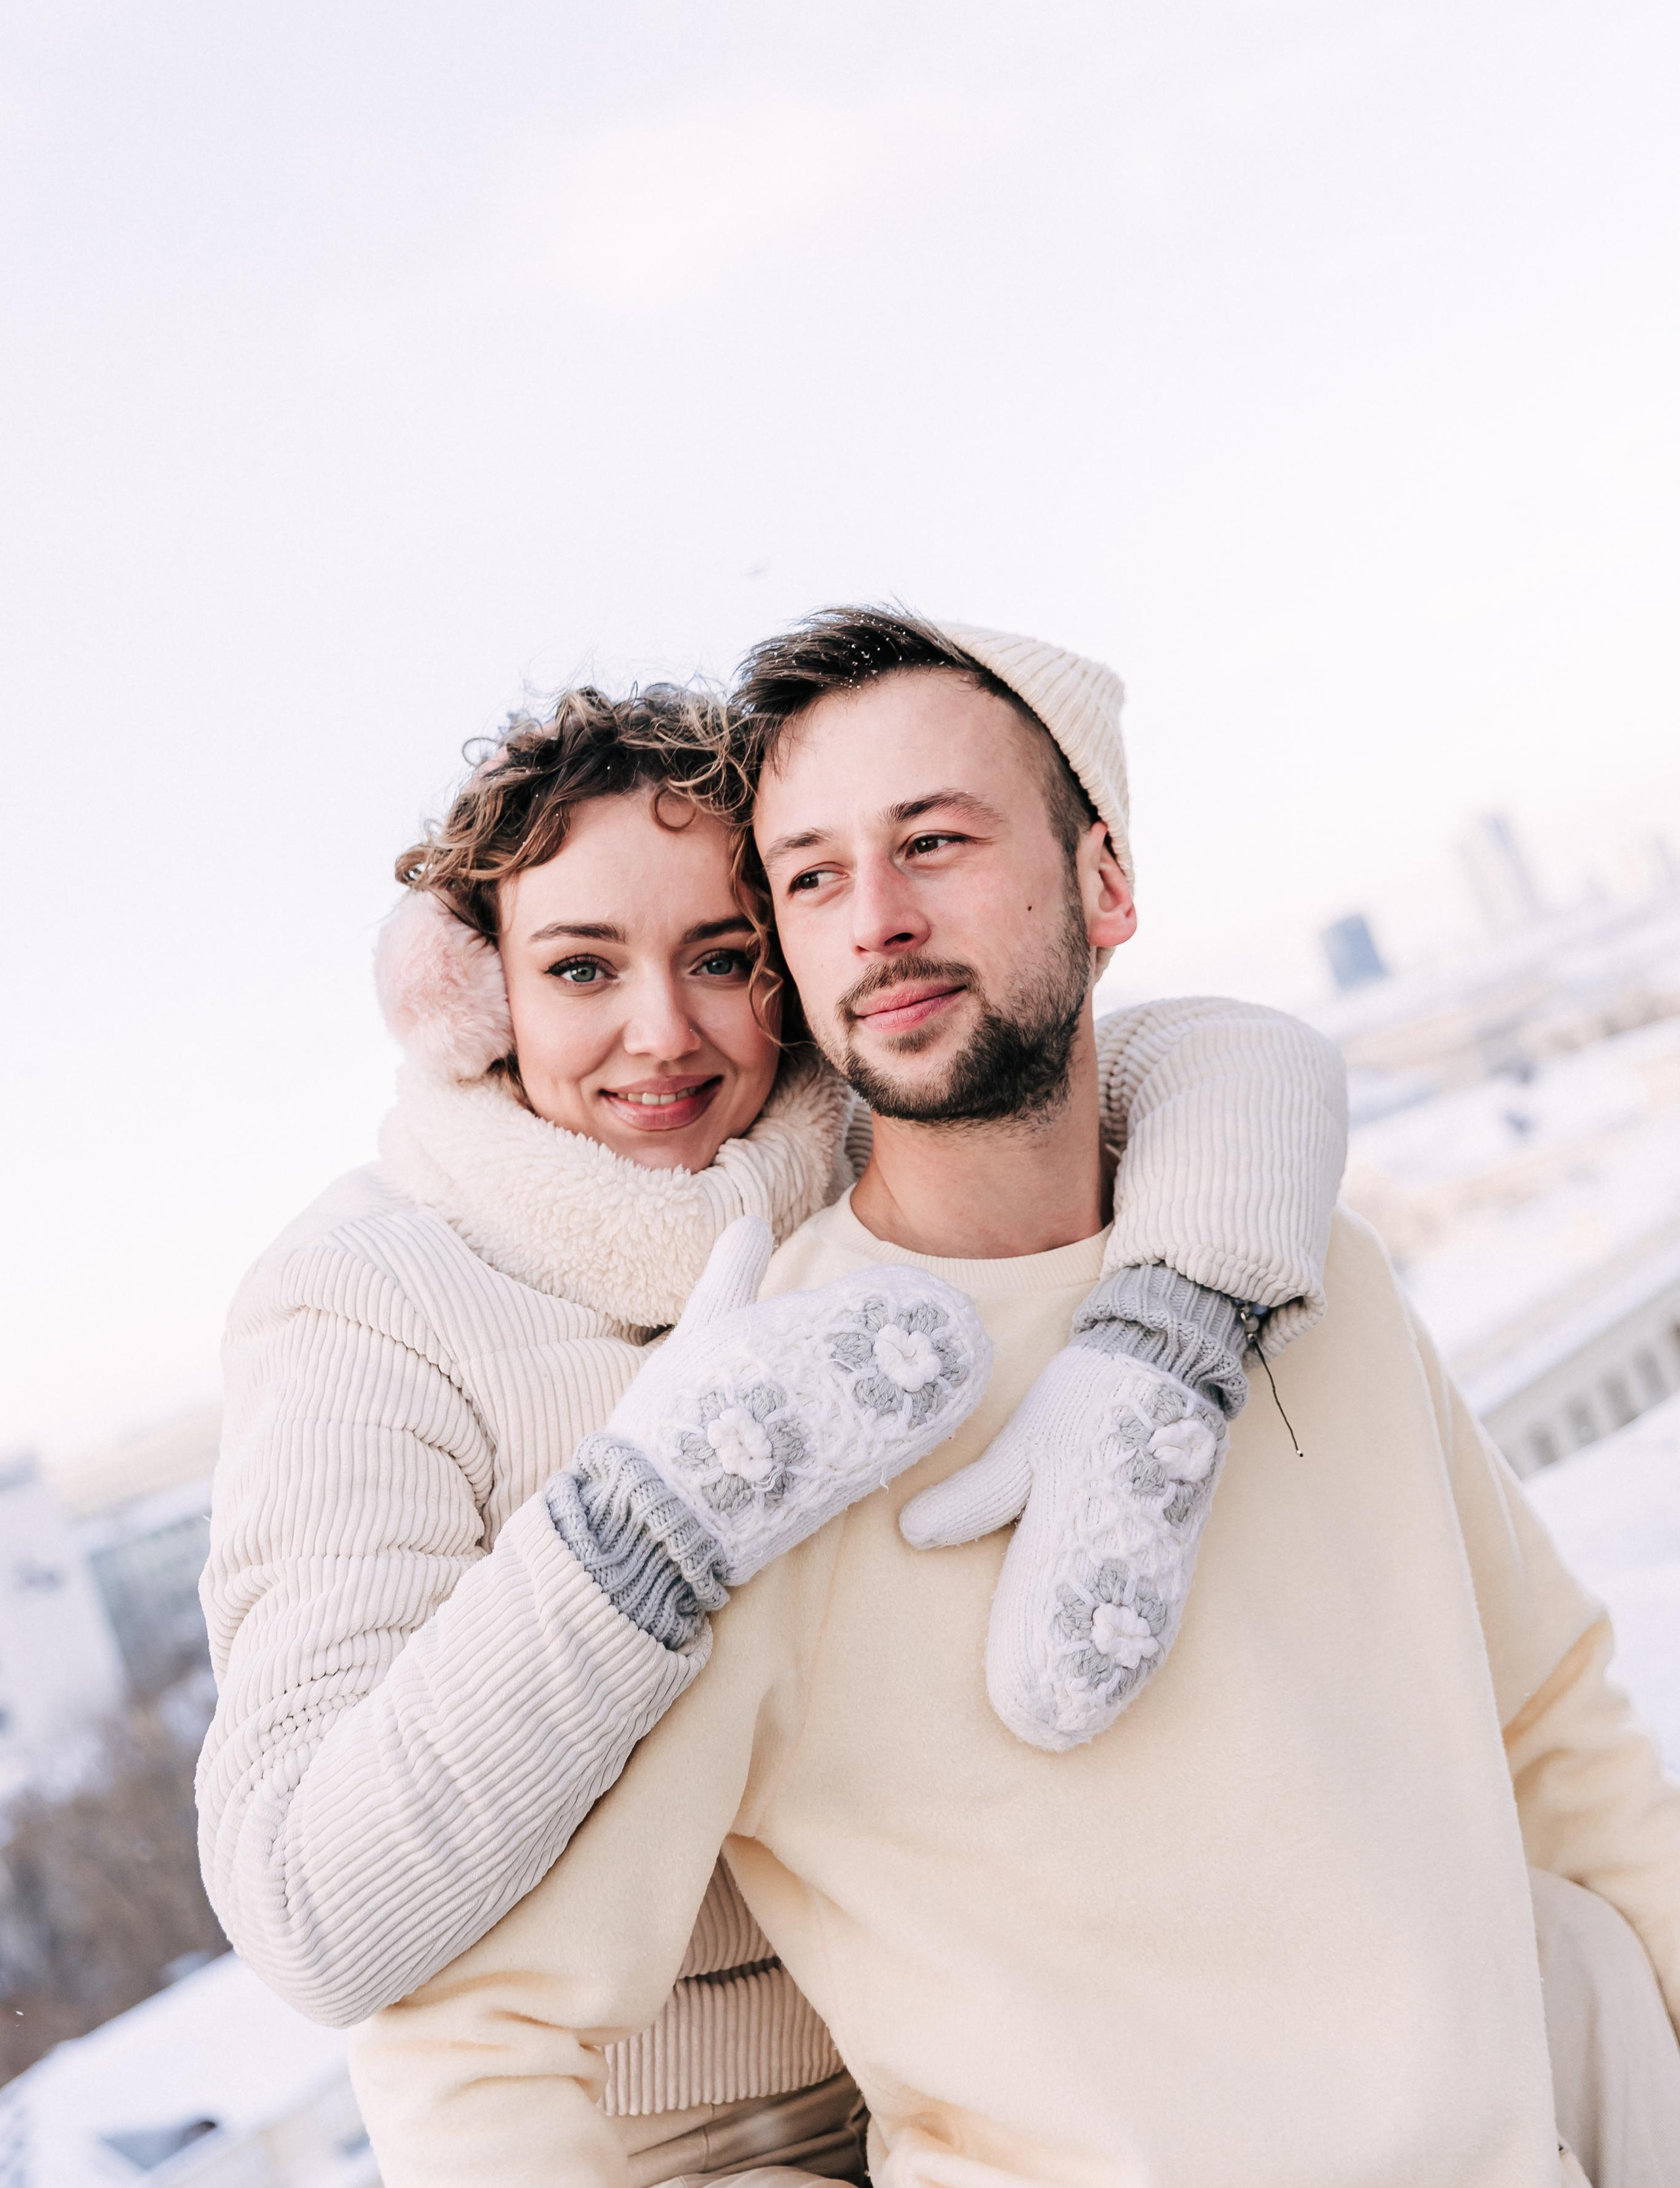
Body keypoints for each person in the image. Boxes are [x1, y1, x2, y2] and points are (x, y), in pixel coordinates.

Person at [347, 612, 1680, 2188]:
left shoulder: (1297, 1267)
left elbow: (1553, 1731)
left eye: (934, 842)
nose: (879, 921)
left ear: (1103, 882)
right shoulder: (762, 1422)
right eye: (814, 877)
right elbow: (469, 2044)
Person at [196, 673, 1348, 2184]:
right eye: (581, 968)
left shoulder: (837, 1153)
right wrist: (652, 1518)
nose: (659, 1037)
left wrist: (1170, 1329)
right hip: (653, 2138)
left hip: (1003, 2046)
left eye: (721, 956)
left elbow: (1222, 1063)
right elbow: (306, 1899)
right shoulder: (366, 1300)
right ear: (476, 999)